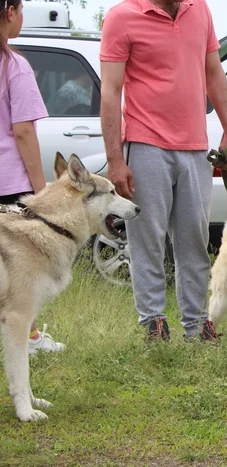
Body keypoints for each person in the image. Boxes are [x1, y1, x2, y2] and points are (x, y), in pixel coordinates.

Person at [100, 0, 227, 341]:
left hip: (194, 147)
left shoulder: (200, 10)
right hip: (145, 143)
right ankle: (154, 323)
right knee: (147, 240)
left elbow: (213, 72)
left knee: (194, 239)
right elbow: (110, 91)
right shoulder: (122, 16)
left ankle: (196, 325)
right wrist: (115, 160)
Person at [0, 0, 66, 355]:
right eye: (20, 8)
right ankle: (29, 337)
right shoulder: (14, 66)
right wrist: (41, 191)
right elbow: (23, 131)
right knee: (19, 271)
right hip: (8, 183)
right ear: (10, 11)